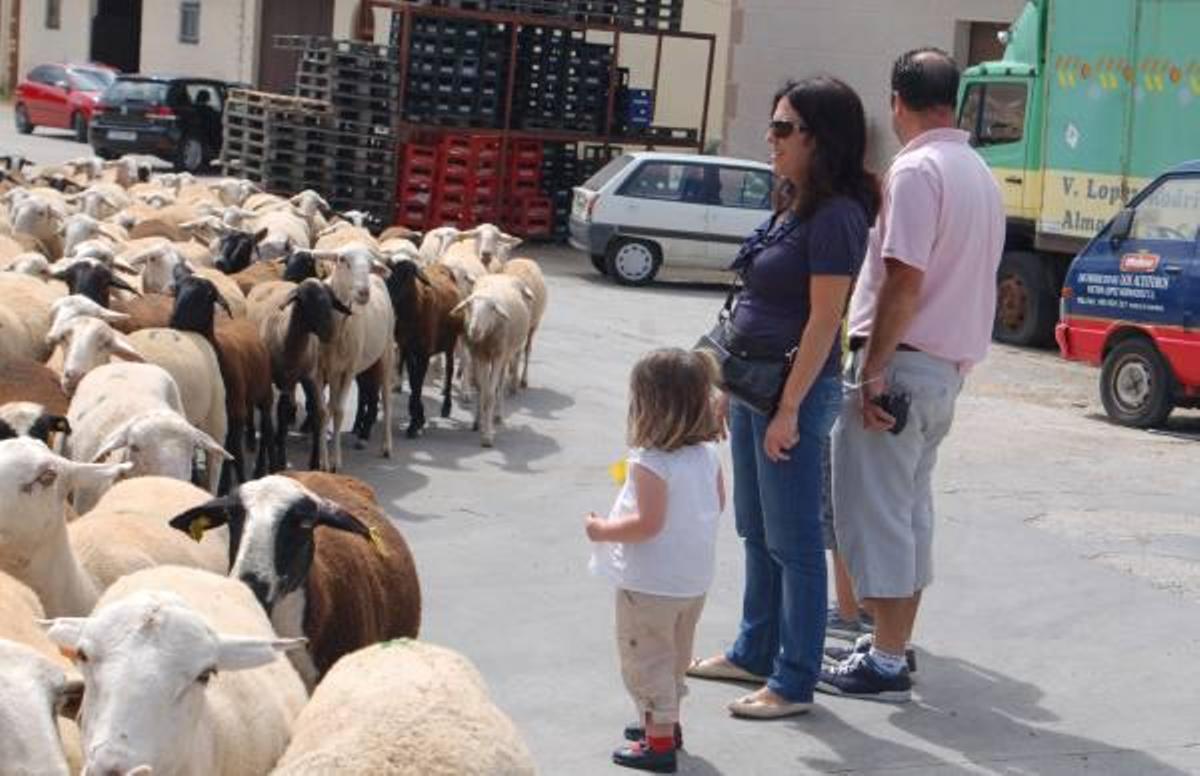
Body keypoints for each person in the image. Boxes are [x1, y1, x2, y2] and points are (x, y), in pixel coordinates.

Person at [687, 76, 878, 719]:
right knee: (754, 527)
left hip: (790, 394)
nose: (769, 139)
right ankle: (754, 649)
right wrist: (727, 386)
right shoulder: (793, 202)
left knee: (794, 542)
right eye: (771, 126)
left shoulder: (838, 216)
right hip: (751, 385)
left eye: (781, 129)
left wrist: (790, 408)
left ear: (818, 139)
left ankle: (794, 678)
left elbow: (826, 321)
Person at [819, 48, 1005, 703]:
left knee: (878, 516)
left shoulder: (918, 169)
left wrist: (872, 371)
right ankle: (891, 645)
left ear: (898, 99)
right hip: (944, 370)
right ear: (952, 98)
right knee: (910, 513)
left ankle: (888, 657)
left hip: (901, 361)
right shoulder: (979, 172)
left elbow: (904, 277)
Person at [585, 348, 725, 774]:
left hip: (650, 585)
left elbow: (646, 524)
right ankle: (667, 724)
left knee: (645, 660)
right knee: (675, 656)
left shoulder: (651, 462)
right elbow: (717, 502)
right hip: (691, 583)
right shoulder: (707, 455)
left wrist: (602, 530)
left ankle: (658, 743)